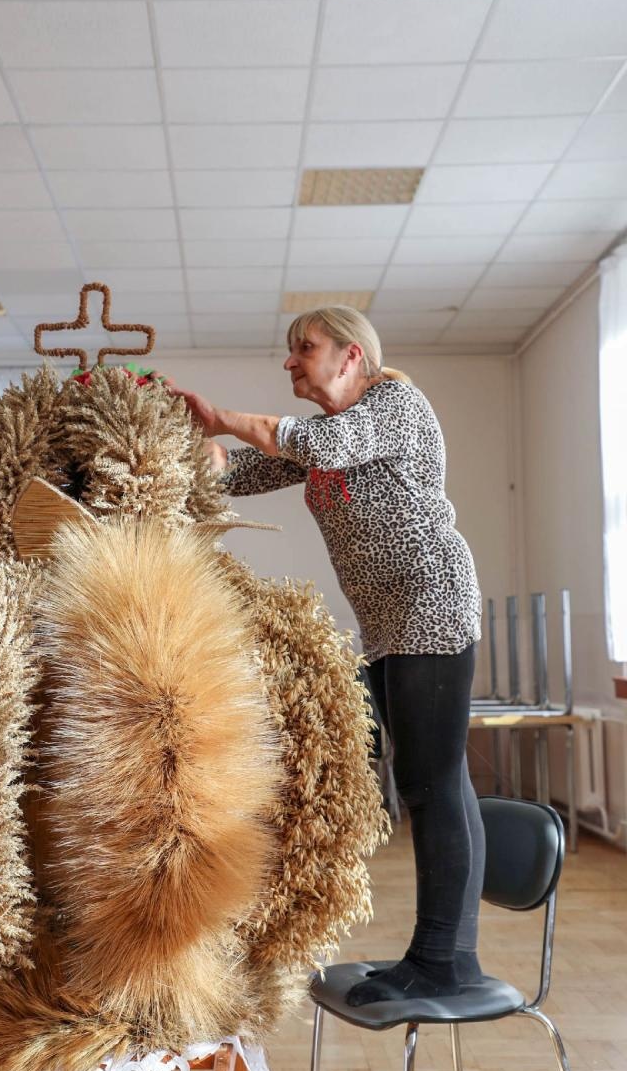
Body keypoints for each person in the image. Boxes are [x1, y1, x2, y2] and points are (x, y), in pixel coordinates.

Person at [169, 305, 486, 1006]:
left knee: (434, 784)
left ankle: (447, 962)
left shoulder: (393, 404)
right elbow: (241, 476)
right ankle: (430, 955)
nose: (289, 362)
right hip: (388, 626)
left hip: (432, 606)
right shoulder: (324, 438)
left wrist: (224, 415)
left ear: (351, 356)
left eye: (302, 348)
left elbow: (325, 447)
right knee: (386, 770)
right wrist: (193, 456)